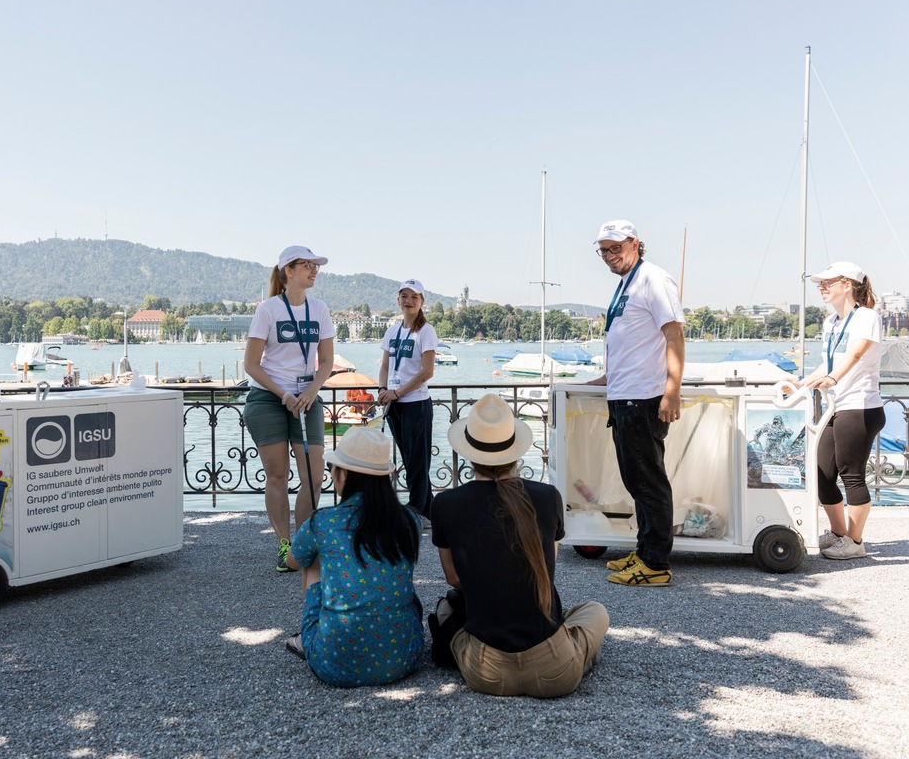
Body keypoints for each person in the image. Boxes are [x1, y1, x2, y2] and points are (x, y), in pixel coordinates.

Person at [430, 395, 609, 698]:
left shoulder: (445, 504)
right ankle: (578, 655)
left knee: (446, 608)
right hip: (556, 672)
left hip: (486, 673)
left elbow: (454, 579)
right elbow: (547, 567)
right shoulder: (548, 496)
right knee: (596, 612)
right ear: (515, 451)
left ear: (469, 452)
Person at [284, 427, 425, 687]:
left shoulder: (323, 522)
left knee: (313, 560)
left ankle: (309, 638)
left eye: (332, 468)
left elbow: (292, 561)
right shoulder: (409, 520)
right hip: (403, 657)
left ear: (345, 473)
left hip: (335, 663)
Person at [585, 219, 685, 586]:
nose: (610, 256)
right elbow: (629, 348)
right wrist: (597, 383)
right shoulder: (626, 284)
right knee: (636, 481)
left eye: (616, 247)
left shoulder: (653, 279)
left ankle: (656, 564)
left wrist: (672, 390)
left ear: (636, 244)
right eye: (604, 250)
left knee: (648, 482)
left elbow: (674, 335)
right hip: (624, 397)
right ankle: (644, 551)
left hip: (644, 398)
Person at [784, 261, 884, 560]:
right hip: (836, 405)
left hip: (860, 406)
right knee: (819, 472)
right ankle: (839, 533)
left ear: (847, 285)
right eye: (820, 283)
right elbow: (829, 362)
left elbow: (855, 353)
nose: (822, 287)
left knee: (851, 475)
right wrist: (802, 384)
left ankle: (855, 542)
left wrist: (832, 379)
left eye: (828, 282)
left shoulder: (866, 317)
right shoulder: (831, 322)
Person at [244, 246, 335, 572]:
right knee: (278, 475)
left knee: (313, 476)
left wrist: (310, 391)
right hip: (269, 398)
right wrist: (283, 394)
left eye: (316, 266)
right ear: (288, 271)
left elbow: (326, 361)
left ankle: (304, 542)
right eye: (307, 265)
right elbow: (251, 365)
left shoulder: (320, 309)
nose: (314, 270)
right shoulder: (268, 310)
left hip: (307, 397)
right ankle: (285, 544)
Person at [377, 278, 438, 519]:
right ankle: (430, 511)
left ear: (422, 301)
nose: (409, 301)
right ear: (398, 300)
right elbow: (385, 365)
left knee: (417, 463)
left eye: (414, 297)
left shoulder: (426, 330)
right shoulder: (393, 330)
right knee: (409, 459)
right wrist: (383, 388)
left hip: (416, 404)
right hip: (395, 405)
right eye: (404, 296)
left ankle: (414, 512)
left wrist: (399, 392)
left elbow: (427, 371)